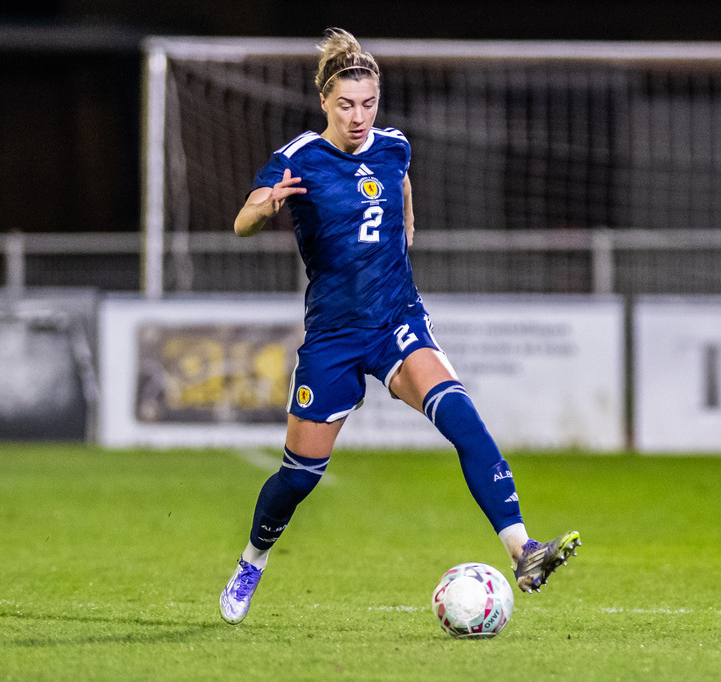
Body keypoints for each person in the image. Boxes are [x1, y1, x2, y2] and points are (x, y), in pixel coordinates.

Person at [220, 28, 580, 625]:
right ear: (325, 104)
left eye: (368, 104)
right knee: (299, 475)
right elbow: (241, 222)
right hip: (334, 336)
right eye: (346, 105)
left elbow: (400, 177)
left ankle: (523, 551)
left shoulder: (393, 147)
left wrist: (407, 218)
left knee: (462, 417)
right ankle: (253, 560)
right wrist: (263, 209)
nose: (359, 117)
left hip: (396, 320)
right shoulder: (300, 157)